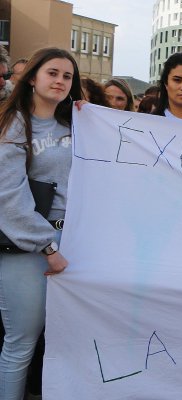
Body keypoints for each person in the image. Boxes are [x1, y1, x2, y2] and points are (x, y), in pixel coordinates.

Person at [0, 47, 79, 400]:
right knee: (21, 344)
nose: (60, 81)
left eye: (67, 76)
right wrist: (48, 247)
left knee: (66, 344)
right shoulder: (13, 124)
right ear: (32, 77)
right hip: (29, 250)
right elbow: (8, 198)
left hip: (75, 244)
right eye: (53, 73)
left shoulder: (77, 124)